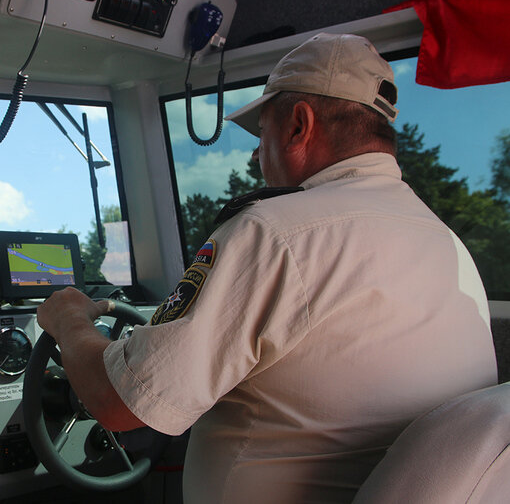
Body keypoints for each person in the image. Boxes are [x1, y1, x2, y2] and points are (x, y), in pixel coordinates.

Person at [36, 33, 498, 503]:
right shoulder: (447, 244)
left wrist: (69, 321)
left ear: (299, 124)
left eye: (263, 135)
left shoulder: (274, 232)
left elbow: (120, 404)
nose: (257, 157)